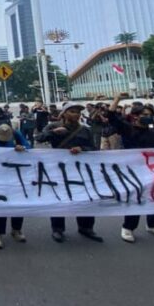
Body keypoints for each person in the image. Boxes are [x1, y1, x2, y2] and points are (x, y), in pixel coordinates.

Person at [106, 94, 154, 243]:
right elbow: (111, 115)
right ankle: (128, 228)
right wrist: (117, 99)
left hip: (151, 170)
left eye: (150, 115)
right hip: (132, 170)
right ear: (135, 116)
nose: (148, 117)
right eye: (144, 115)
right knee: (135, 198)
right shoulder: (127, 129)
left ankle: (152, 225)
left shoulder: (153, 130)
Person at [38, 102, 103, 243]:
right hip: (59, 170)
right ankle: (57, 229)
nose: (76, 114)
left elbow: (93, 148)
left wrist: (82, 149)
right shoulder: (53, 126)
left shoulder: (86, 130)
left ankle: (86, 227)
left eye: (78, 112)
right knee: (59, 199)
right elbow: (39, 138)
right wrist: (52, 133)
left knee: (85, 198)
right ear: (65, 113)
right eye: (72, 111)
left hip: (81, 171)